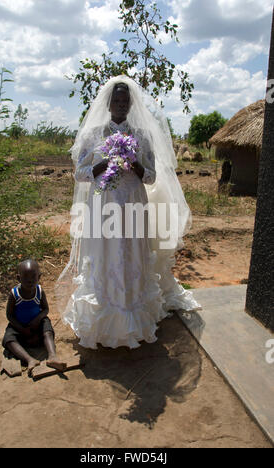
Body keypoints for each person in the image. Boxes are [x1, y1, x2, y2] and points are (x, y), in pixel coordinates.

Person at [55, 76, 201, 350]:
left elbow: (152, 177)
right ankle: (103, 318)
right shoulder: (94, 134)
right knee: (107, 252)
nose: (121, 106)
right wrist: (101, 166)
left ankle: (134, 317)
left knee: (131, 252)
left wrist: (133, 164)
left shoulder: (142, 136)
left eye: (125, 102)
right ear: (109, 104)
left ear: (131, 104)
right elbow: (79, 174)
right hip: (103, 204)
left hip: (134, 202)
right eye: (116, 102)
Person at [3, 259, 66, 375]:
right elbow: (9, 315)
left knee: (47, 329)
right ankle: (29, 359)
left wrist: (37, 320)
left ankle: (52, 356)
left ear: (39, 277)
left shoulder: (39, 291)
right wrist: (21, 328)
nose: (30, 280)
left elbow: (45, 309)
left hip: (36, 325)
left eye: (33, 276)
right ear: (18, 278)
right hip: (19, 327)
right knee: (8, 339)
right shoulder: (14, 294)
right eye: (25, 276)